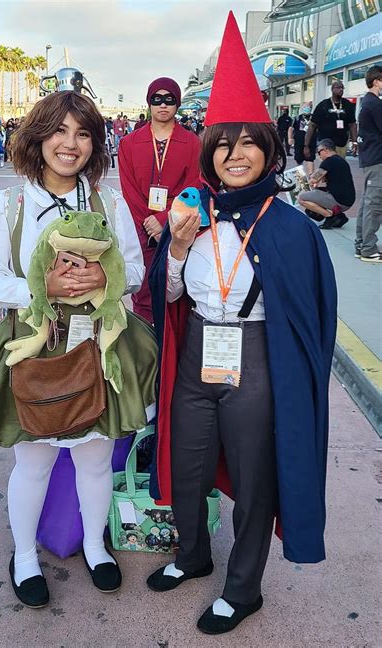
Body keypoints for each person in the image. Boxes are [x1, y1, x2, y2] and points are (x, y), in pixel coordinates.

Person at [148, 12, 337, 636]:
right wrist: (174, 249)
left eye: (247, 143)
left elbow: (313, 323)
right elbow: (170, 297)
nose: (234, 155)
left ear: (268, 149)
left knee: (256, 479)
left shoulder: (292, 228)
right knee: (187, 465)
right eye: (223, 144)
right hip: (200, 345)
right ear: (210, 152)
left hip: (255, 358)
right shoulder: (191, 214)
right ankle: (193, 554)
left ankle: (243, 588)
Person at [0, 90, 157, 608]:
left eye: (84, 133)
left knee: (96, 461)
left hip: (97, 347)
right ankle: (24, 555)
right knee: (34, 463)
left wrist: (100, 279)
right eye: (60, 131)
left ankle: (95, 546)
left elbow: (134, 271)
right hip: (35, 350)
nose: (70, 144)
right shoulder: (8, 203)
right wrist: (43, 287)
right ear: (38, 136)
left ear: (95, 142)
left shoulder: (108, 202)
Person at [118, 76, 201, 322]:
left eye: (169, 100)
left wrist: (165, 219)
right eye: (157, 99)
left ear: (177, 104)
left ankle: (173, 353)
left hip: (179, 228)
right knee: (143, 293)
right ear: (149, 103)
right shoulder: (129, 143)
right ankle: (144, 351)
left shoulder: (192, 142)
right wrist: (149, 222)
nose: (163, 105)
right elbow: (129, 189)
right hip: (142, 232)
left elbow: (195, 185)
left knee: (179, 290)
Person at [354, 64, 382, 263]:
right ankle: (369, 248)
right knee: (374, 204)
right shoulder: (375, 104)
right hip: (377, 158)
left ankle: (362, 243)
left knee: (367, 202)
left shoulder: (367, 103)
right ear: (377, 81)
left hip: (370, 158)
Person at [298, 138, 355, 229]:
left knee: (301, 198)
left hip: (338, 200)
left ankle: (330, 216)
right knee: (316, 192)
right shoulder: (341, 160)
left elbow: (313, 180)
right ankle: (339, 216)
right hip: (348, 200)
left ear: (325, 150)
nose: (319, 155)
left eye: (319, 152)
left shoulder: (328, 161)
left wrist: (305, 178)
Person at [304, 81, 357, 159]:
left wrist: (354, 142)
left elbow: (352, 124)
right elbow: (312, 125)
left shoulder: (347, 105)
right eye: (338, 88)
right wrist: (306, 145)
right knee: (326, 168)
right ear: (332, 89)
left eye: (342, 88)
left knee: (340, 168)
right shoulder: (323, 105)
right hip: (326, 145)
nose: (341, 90)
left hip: (341, 144)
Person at [289, 103, 316, 175]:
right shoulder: (297, 118)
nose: (307, 108)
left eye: (309, 107)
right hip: (299, 143)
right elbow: (291, 128)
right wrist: (290, 138)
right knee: (298, 160)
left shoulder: (314, 118)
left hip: (311, 142)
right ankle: (301, 180)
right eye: (305, 107)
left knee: (310, 159)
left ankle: (311, 177)